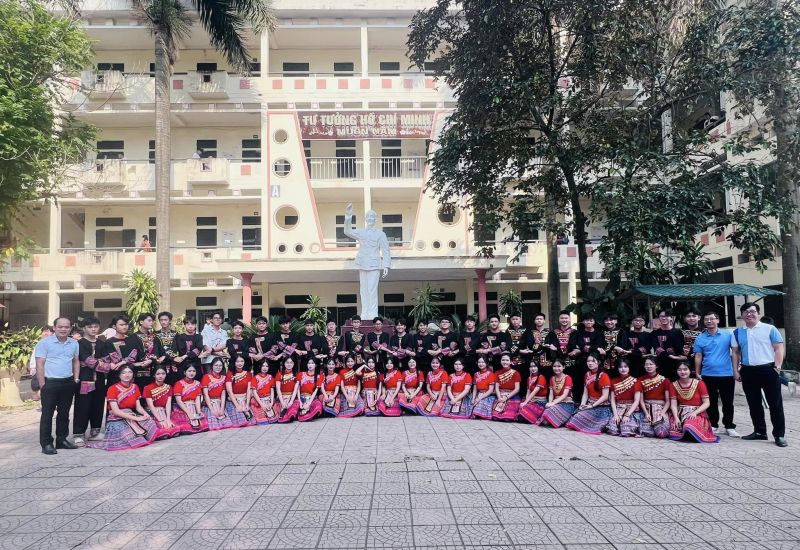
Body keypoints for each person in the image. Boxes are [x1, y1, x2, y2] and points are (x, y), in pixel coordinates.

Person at [731, 302, 787, 447]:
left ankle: (779, 435)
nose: (749, 314)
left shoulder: (770, 329)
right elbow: (735, 352)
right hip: (748, 371)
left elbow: (779, 348)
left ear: (758, 313)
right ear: (742, 315)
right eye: (745, 312)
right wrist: (735, 370)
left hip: (769, 370)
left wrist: (777, 367)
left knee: (775, 404)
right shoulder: (737, 332)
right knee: (754, 403)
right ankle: (760, 431)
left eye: (752, 311)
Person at [35, 317, 80, 455]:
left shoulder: (74, 343)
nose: (63, 329)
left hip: (68, 382)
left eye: (66, 327)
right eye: (60, 326)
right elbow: (40, 364)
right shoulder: (44, 343)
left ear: (70, 328)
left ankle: (61, 440)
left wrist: (76, 378)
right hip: (50, 383)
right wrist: (42, 384)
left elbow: (76, 361)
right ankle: (46, 443)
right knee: (47, 414)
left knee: (64, 413)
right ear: (54, 328)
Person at [87, 365, 158, 451]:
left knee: (150, 422)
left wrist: (145, 414)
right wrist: (136, 418)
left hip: (131, 415)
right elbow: (116, 411)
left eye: (130, 372)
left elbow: (138, 407)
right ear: (119, 375)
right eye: (124, 373)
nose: (127, 375)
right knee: (131, 436)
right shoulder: (112, 388)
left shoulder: (135, 387)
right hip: (116, 419)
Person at [693, 311, 740, 438]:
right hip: (708, 374)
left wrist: (736, 369)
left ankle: (729, 426)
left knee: (728, 402)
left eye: (712, 319)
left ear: (718, 320)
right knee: (711, 402)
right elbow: (698, 356)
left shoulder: (728, 335)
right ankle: (713, 424)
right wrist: (697, 372)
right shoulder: (700, 337)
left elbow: (735, 352)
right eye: (706, 319)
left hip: (726, 374)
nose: (709, 321)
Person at [343, 203, 392, 319]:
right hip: (362, 263)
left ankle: (373, 313)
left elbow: (386, 250)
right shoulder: (361, 232)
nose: (370, 219)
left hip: (374, 265)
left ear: (376, 219)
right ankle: (364, 313)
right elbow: (347, 231)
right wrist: (348, 216)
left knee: (372, 290)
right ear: (365, 219)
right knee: (363, 290)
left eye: (372, 217)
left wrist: (386, 265)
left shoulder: (381, 234)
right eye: (368, 217)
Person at [72, 317, 105, 446]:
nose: (93, 329)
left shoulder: (102, 343)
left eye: (96, 327)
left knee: (98, 404)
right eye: (90, 327)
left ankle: (95, 432)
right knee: (83, 405)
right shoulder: (79, 343)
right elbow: (88, 361)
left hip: (99, 379)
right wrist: (100, 363)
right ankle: (79, 433)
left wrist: (100, 363)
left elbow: (107, 359)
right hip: (85, 379)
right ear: (84, 328)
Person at [669, 362, 719, 443]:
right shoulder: (673, 385)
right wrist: (676, 418)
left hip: (697, 413)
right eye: (679, 370)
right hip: (680, 413)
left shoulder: (699, 383)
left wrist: (695, 413)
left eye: (685, 369)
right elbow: (673, 404)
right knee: (671, 429)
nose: (682, 372)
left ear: (690, 371)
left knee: (689, 427)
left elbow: (707, 403)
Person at [566, 353, 612, 434]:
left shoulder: (604, 376)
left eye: (593, 361)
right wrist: (582, 405)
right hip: (589, 404)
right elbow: (585, 393)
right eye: (588, 361)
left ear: (599, 362)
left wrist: (592, 406)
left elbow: (605, 396)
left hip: (601, 407)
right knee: (573, 419)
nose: (590, 363)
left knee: (578, 419)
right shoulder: (587, 374)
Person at [99, 314, 147, 386]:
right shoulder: (109, 342)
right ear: (114, 326)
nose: (124, 327)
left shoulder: (133, 340)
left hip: (131, 377)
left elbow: (136, 357)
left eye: (126, 324)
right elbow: (112, 361)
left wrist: (123, 362)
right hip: (114, 377)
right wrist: (127, 362)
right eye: (121, 325)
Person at [567, 312, 604, 403]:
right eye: (586, 320)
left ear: (594, 322)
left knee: (594, 381)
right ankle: (578, 401)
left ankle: (594, 400)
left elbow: (599, 346)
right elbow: (572, 345)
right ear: (583, 322)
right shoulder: (578, 333)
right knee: (578, 381)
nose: (589, 322)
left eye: (591, 320)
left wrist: (584, 348)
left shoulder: (599, 333)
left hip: (594, 362)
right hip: (580, 362)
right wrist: (582, 348)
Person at [202, 357, 247, 430]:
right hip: (210, 403)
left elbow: (223, 394)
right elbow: (205, 395)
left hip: (221, 403)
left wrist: (222, 408)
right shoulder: (206, 377)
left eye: (220, 365)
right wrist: (212, 409)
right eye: (216, 365)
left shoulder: (223, 378)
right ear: (212, 366)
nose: (218, 367)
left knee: (229, 423)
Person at [604, 359, 643, 437]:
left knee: (626, 429)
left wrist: (627, 415)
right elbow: (612, 401)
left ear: (629, 368)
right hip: (618, 408)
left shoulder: (636, 381)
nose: (623, 369)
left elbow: (636, 401)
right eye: (620, 367)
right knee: (612, 429)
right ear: (617, 368)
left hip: (631, 410)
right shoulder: (614, 381)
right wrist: (615, 415)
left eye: (625, 366)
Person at [637, 357, 672, 439]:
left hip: (660, 408)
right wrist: (646, 413)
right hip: (646, 408)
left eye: (651, 364)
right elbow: (641, 400)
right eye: (646, 364)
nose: (648, 366)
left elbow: (668, 401)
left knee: (661, 432)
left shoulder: (665, 380)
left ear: (656, 366)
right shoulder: (640, 380)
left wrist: (663, 412)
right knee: (645, 429)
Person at [142, 366, 180, 439]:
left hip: (164, 412)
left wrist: (168, 419)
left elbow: (168, 404)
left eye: (163, 373)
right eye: (158, 374)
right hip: (153, 413)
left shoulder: (168, 387)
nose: (160, 376)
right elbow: (150, 406)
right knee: (164, 433)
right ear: (154, 375)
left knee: (175, 431)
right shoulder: (147, 388)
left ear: (166, 374)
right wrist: (160, 420)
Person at [172, 365, 209, 434]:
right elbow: (179, 401)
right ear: (184, 372)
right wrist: (189, 413)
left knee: (205, 425)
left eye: (193, 371)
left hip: (194, 406)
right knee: (186, 428)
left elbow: (197, 399)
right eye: (189, 371)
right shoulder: (179, 384)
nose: (192, 373)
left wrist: (198, 411)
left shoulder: (197, 383)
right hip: (183, 407)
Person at [539, 359, 576, 428]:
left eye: (559, 366)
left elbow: (565, 395)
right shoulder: (552, 378)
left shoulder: (568, 378)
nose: (556, 368)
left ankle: (565, 419)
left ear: (563, 367)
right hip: (556, 403)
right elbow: (551, 394)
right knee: (544, 421)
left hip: (567, 404)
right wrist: (550, 403)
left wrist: (553, 403)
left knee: (548, 421)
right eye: (554, 366)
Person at [651, 308, 685, 381]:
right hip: (660, 365)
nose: (664, 318)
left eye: (666, 316)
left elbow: (679, 349)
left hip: (676, 365)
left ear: (671, 318)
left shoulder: (678, 332)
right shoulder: (654, 333)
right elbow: (657, 348)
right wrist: (670, 355)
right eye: (661, 316)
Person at [133, 313, 165, 390]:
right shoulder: (133, 337)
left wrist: (151, 360)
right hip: (139, 370)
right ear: (141, 322)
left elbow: (160, 352)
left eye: (153, 321)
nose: (152, 322)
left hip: (153, 370)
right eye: (149, 320)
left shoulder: (155, 337)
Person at [491, 353, 522, 421]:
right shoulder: (497, 373)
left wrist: (506, 397)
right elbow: (496, 388)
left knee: (507, 417)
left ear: (511, 362)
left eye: (507, 360)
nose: (505, 362)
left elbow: (517, 389)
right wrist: (499, 397)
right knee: (495, 416)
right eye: (503, 360)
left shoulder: (516, 373)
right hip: (500, 395)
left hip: (512, 395)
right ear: (500, 361)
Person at [226, 355, 254, 423]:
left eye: (242, 361)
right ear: (234, 362)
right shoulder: (229, 373)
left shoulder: (248, 374)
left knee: (251, 415)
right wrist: (237, 405)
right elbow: (229, 391)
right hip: (234, 398)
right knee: (239, 416)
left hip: (245, 397)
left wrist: (247, 404)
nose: (240, 363)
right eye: (237, 361)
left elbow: (249, 390)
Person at [518, 359, 547, 424]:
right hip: (532, 400)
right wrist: (526, 401)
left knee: (524, 411)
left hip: (540, 402)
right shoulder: (529, 378)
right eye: (531, 366)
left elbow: (534, 391)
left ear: (538, 367)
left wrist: (525, 402)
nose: (533, 368)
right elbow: (528, 391)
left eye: (535, 366)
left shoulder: (541, 377)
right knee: (519, 407)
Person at [28, 325, 53, 404]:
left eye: (48, 331)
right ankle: (44, 403)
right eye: (44, 331)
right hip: (39, 369)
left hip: (50, 370)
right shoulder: (39, 343)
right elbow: (34, 356)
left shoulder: (54, 344)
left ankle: (47, 403)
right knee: (39, 388)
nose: (46, 333)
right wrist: (32, 367)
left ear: (52, 333)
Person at [155, 311, 179, 384]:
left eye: (165, 320)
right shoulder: (155, 334)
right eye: (161, 320)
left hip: (173, 364)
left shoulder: (175, 334)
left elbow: (175, 348)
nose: (163, 322)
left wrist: (165, 356)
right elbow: (156, 349)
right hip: (161, 365)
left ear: (170, 321)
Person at [276, 357, 301, 422]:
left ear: (294, 364)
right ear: (284, 363)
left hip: (292, 397)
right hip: (281, 398)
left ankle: (289, 415)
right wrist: (282, 402)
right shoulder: (279, 374)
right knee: (279, 410)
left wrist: (291, 401)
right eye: (287, 362)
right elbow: (278, 389)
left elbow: (295, 389)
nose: (289, 364)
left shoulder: (297, 374)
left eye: (291, 363)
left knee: (293, 407)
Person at [529, 313, 551, 378]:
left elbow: (549, 345)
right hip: (534, 359)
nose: (539, 320)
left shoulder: (549, 332)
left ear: (544, 321)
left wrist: (539, 345)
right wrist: (537, 345)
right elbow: (530, 345)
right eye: (537, 319)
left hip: (547, 360)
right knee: (534, 378)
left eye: (541, 319)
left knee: (546, 378)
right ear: (534, 321)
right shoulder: (530, 332)